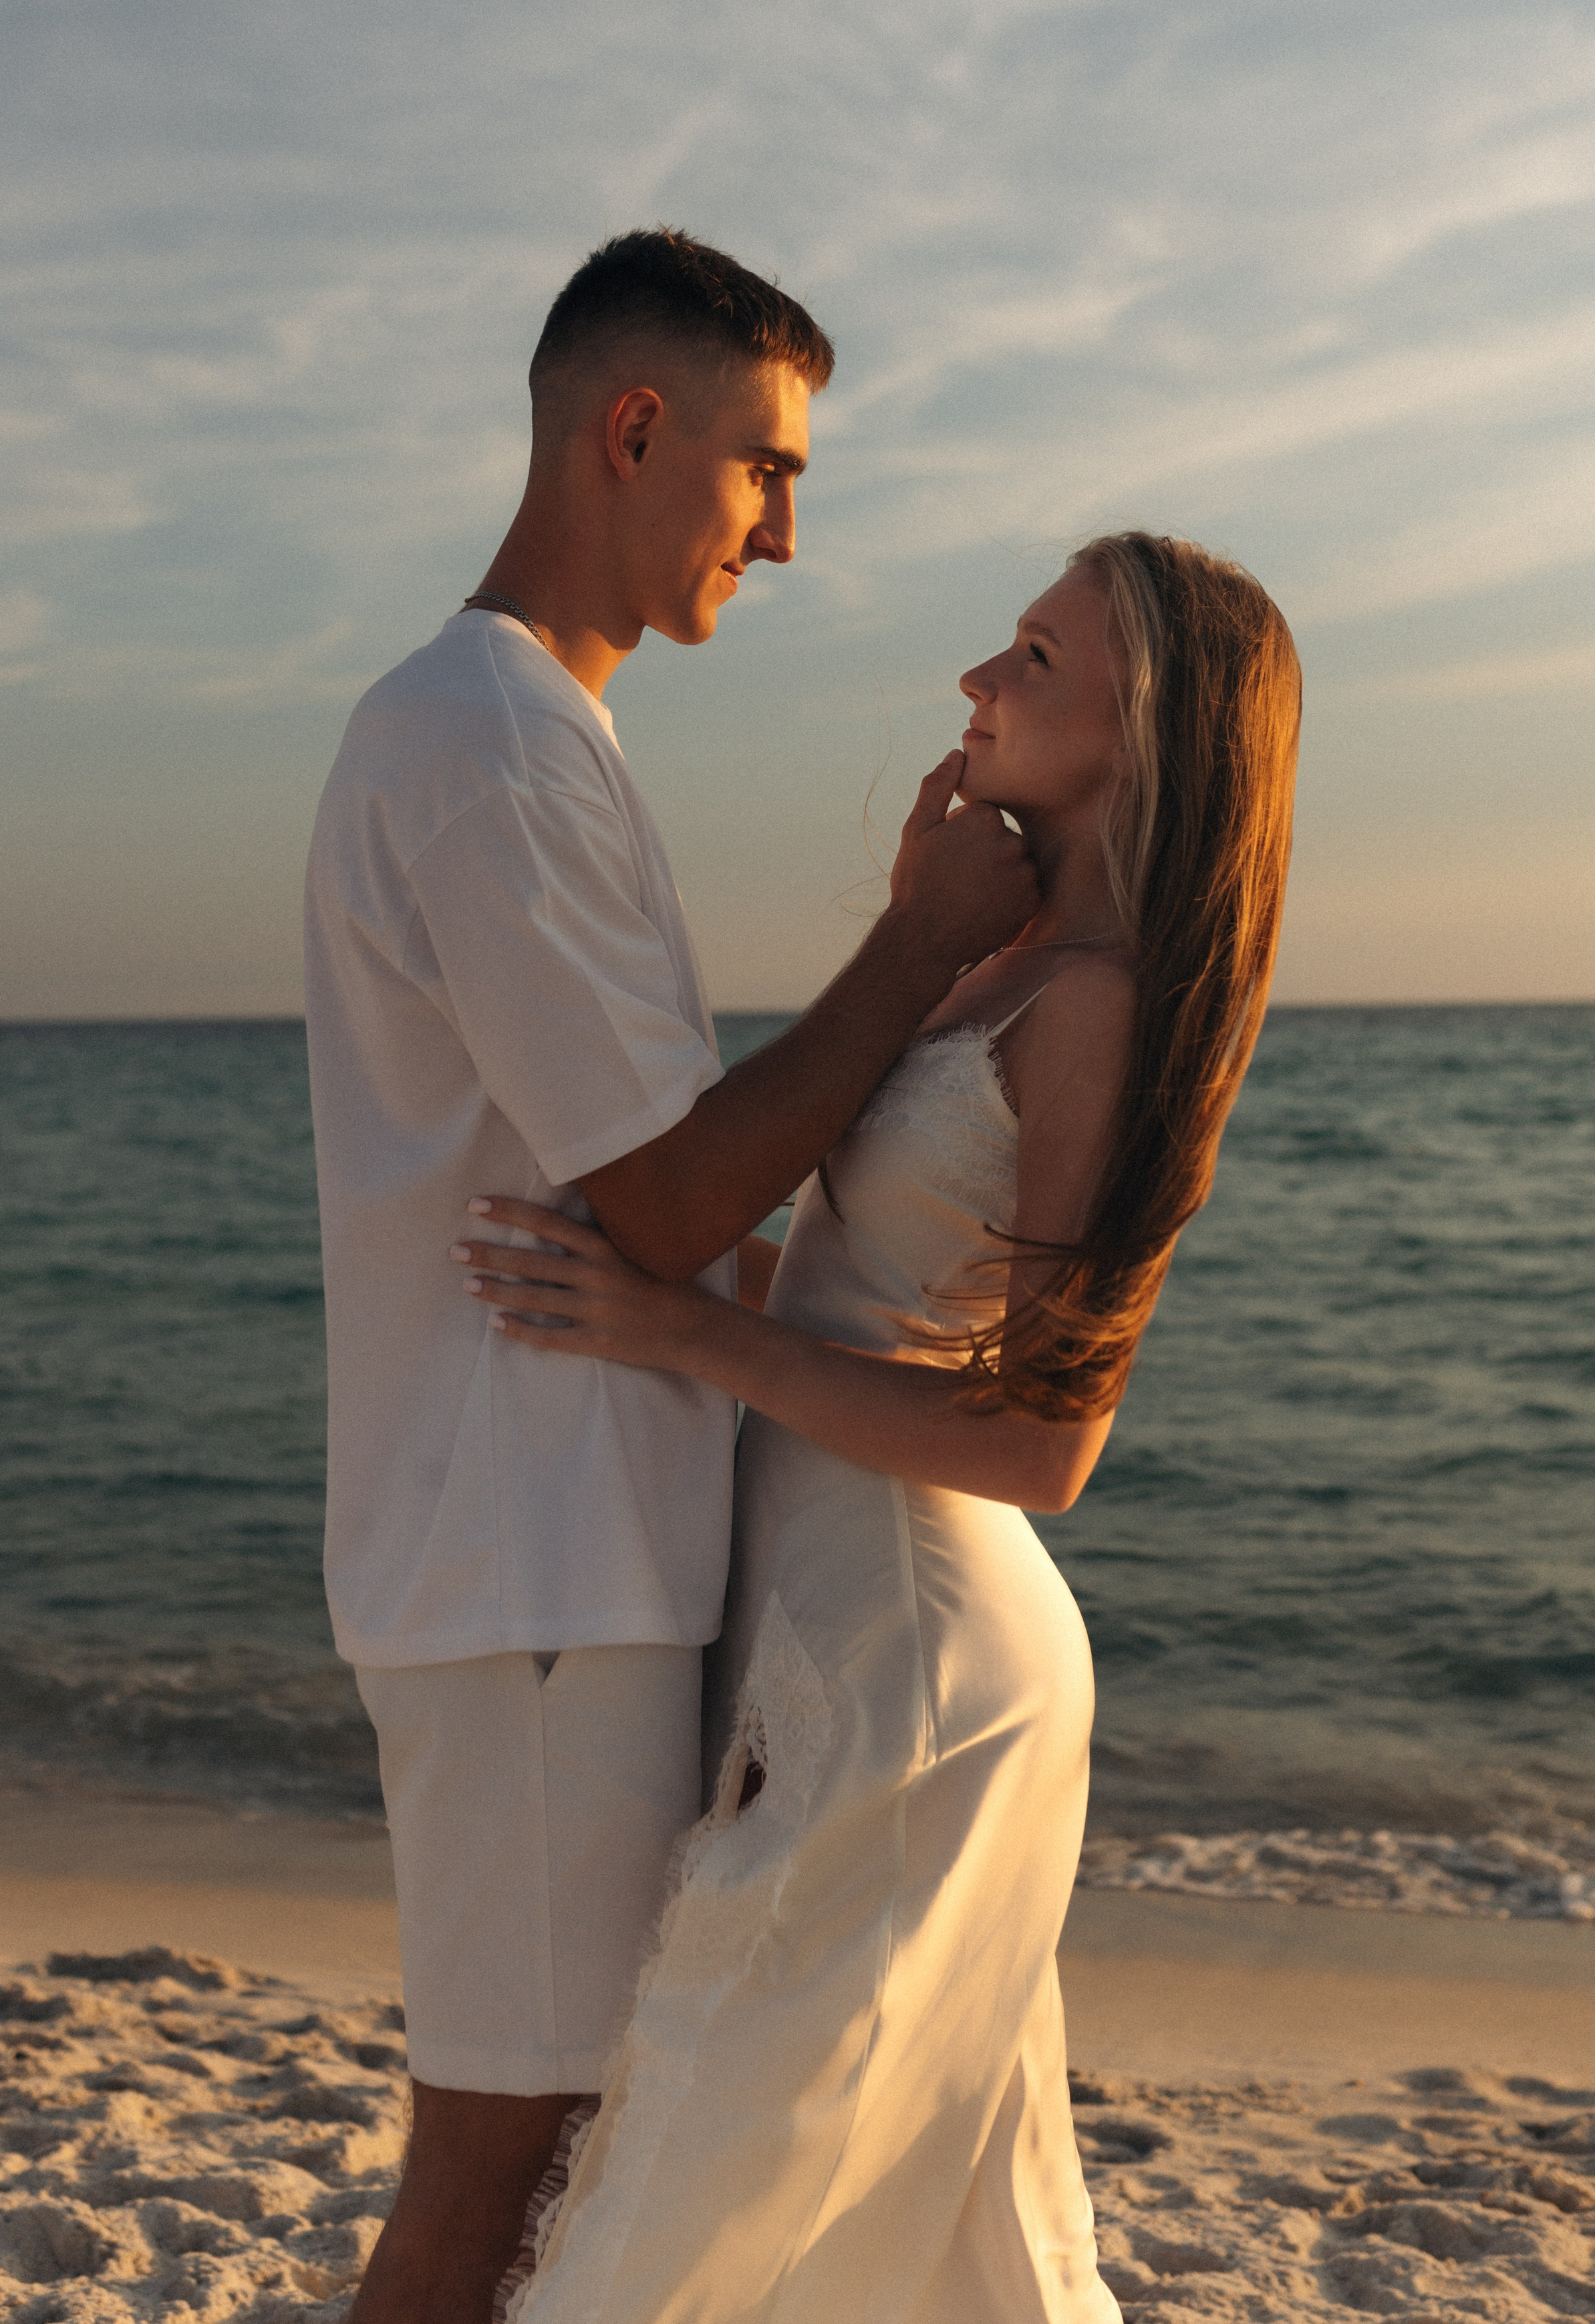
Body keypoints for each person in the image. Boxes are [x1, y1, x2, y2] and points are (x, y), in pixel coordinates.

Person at [303, 228, 1038, 2324]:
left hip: (563, 1575)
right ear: (634, 429)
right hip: (526, 1579)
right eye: (764, 469)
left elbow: (674, 1200)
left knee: (554, 2178)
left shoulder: (540, 738)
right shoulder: (486, 749)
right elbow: (663, 1197)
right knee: (495, 2181)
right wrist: (919, 946)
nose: (786, 534)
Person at [451, 530, 1303, 2321]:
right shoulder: (1000, 968)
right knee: (918, 2213)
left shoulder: (1097, 1013)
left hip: (927, 1665)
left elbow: (1044, 1449)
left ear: (1142, 741)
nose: (978, 686)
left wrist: (677, 1322)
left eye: (1033, 665)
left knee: (716, 2172)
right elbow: (854, 1283)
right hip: (849, 1635)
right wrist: (641, 1255)